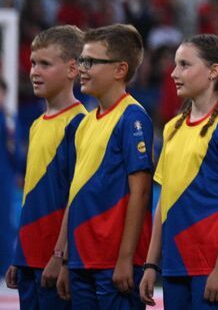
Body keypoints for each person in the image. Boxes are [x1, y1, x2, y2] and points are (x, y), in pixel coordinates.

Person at [139, 36, 218, 310]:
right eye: (175, 65)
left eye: (185, 65)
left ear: (213, 71)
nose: (174, 73)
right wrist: (152, 263)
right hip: (176, 264)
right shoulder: (172, 128)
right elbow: (163, 202)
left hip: (212, 266)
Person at [57, 24, 154, 310]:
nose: (81, 68)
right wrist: (64, 258)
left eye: (90, 62)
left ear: (120, 70)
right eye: (80, 60)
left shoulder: (133, 117)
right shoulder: (85, 123)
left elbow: (141, 193)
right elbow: (75, 193)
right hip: (80, 261)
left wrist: (126, 259)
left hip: (114, 263)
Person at [8, 25, 84, 310]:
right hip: (29, 256)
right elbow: (31, 195)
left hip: (55, 259)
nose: (34, 71)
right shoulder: (38, 125)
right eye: (32, 63)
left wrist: (60, 255)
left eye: (45, 64)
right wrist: (19, 254)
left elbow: (75, 197)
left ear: (72, 69)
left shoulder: (80, 124)